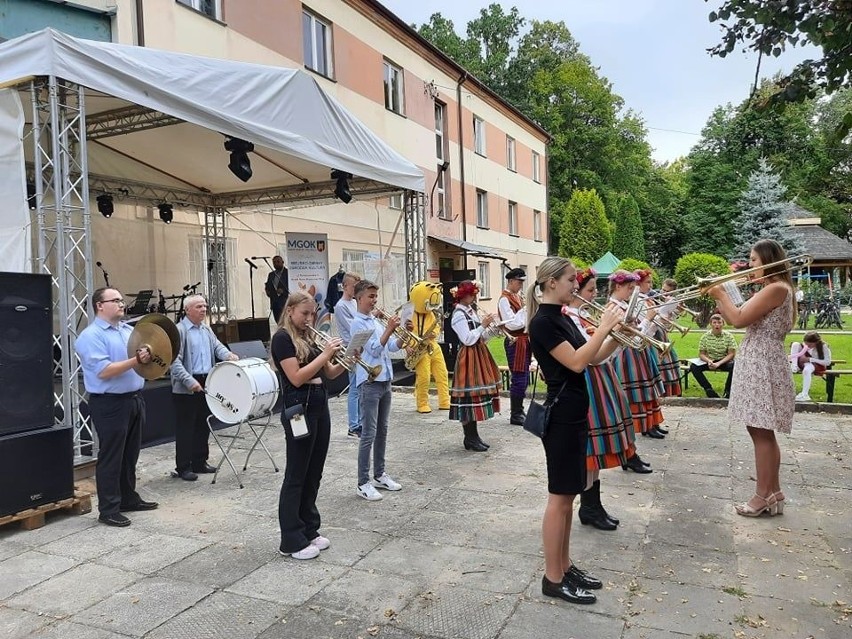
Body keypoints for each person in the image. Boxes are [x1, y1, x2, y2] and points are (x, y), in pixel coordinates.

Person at [527, 256, 624, 605]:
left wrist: (614, 334)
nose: (575, 285)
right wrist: (604, 326)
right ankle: (553, 577)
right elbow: (576, 363)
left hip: (575, 411)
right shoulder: (543, 323)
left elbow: (593, 356)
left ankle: (564, 565)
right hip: (562, 416)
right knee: (560, 498)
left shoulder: (562, 317)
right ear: (552, 283)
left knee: (569, 497)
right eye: (570, 280)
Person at [709, 238, 795, 517]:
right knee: (761, 431)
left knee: (760, 432)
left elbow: (737, 319)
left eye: (754, 260)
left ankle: (761, 497)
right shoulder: (777, 289)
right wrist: (729, 291)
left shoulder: (776, 288)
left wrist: (720, 295)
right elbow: (746, 312)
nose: (750, 265)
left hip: (761, 363)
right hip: (762, 360)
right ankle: (775, 491)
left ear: (769, 261)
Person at [271, 291, 347, 559]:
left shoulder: (307, 337)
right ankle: (290, 540)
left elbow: (328, 373)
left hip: (318, 403)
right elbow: (296, 377)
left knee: (314, 471)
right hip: (297, 406)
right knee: (296, 473)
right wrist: (325, 354)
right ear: (290, 311)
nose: (309, 318)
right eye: (304, 313)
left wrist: (347, 357)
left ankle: (309, 529)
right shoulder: (282, 338)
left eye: (312, 313)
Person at [74, 288, 159, 527]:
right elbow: (104, 370)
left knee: (130, 454)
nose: (122, 304)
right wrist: (136, 360)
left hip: (134, 399)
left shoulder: (128, 331)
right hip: (109, 403)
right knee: (111, 456)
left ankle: (128, 498)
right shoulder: (90, 336)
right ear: (100, 305)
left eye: (122, 300)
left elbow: (142, 359)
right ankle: (109, 509)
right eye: (116, 301)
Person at [563, 267, 635, 531]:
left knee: (593, 452)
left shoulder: (580, 317)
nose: (594, 296)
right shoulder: (571, 319)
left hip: (599, 381)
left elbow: (604, 355)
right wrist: (614, 335)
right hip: (589, 385)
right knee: (590, 450)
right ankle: (589, 506)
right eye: (590, 290)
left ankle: (593, 504)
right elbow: (595, 357)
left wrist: (621, 336)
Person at [169, 294, 239, 481]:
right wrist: (188, 381)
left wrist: (229, 355)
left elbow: (218, 347)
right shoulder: (179, 331)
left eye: (205, 306)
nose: (203, 309)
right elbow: (174, 362)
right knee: (186, 427)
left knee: (203, 424)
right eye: (199, 306)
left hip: (206, 381)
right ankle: (183, 466)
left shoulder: (206, 329)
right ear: (187, 310)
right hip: (186, 386)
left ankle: (200, 461)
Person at [349, 280, 405, 501]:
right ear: (359, 298)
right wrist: (389, 328)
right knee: (368, 433)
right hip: (370, 382)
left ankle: (380, 474)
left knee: (383, 429)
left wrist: (401, 338)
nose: (374, 300)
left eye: (375, 296)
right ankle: (363, 482)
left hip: (385, 379)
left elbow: (389, 347)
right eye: (370, 296)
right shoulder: (357, 323)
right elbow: (372, 349)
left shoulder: (374, 319)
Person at [608, 270, 661, 467]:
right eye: (629, 288)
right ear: (618, 287)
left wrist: (651, 320)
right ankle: (628, 456)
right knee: (625, 410)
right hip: (622, 360)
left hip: (626, 356)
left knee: (625, 412)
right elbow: (633, 340)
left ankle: (630, 454)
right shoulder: (614, 309)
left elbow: (638, 336)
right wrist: (648, 320)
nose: (632, 292)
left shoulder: (623, 306)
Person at [449, 280, 503, 452]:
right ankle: (469, 438)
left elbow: (481, 337)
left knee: (477, 398)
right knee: (469, 398)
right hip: (468, 357)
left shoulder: (471, 311)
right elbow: (467, 339)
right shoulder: (458, 314)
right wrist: (483, 325)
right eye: (472, 294)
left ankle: (474, 437)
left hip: (478, 354)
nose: (475, 297)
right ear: (463, 295)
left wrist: (494, 330)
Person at [498, 268, 531, 425]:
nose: (520, 286)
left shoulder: (516, 297)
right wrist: (526, 309)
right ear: (510, 281)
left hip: (523, 340)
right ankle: (515, 414)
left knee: (523, 377)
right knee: (519, 377)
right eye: (519, 282)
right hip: (515, 341)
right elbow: (512, 324)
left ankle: (519, 410)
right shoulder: (504, 299)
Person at [333, 272, 363, 437]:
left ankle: (360, 421)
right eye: (354, 286)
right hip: (350, 347)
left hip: (359, 346)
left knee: (360, 386)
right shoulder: (341, 306)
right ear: (345, 287)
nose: (357, 289)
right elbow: (354, 327)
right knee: (354, 388)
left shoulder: (353, 303)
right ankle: (353, 425)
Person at [689, 313, 737, 398]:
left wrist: (719, 363)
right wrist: (709, 361)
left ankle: (728, 391)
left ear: (723, 324)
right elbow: (701, 354)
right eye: (714, 323)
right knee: (694, 367)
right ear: (711, 324)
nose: (717, 325)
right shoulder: (705, 337)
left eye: (719, 323)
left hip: (724, 361)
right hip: (710, 360)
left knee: (735, 366)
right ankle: (708, 389)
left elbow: (731, 354)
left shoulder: (729, 336)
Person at [790, 331, 831, 402]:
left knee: (807, 370)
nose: (807, 346)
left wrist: (810, 359)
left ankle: (805, 394)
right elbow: (799, 352)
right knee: (795, 344)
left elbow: (827, 362)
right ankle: (794, 366)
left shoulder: (823, 346)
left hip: (816, 365)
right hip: (802, 363)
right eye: (806, 344)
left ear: (816, 342)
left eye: (809, 345)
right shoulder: (805, 345)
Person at [264, 255, 289, 322]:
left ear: (283, 262)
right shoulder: (271, 274)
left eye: (278, 261)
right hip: (274, 303)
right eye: (274, 262)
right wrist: (267, 290)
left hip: (285, 303)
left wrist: (283, 291)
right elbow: (268, 285)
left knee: (286, 323)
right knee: (278, 322)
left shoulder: (288, 273)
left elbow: (292, 287)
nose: (276, 264)